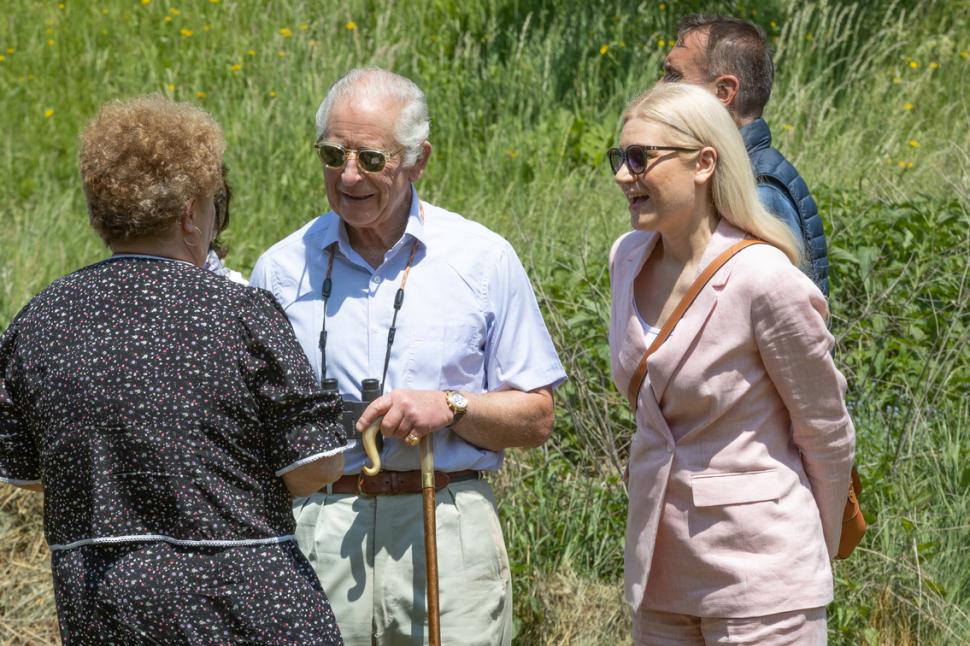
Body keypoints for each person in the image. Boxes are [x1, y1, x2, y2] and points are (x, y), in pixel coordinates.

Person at [0, 95, 348, 645]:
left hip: (105, 614)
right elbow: (316, 465)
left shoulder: (38, 321)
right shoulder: (240, 312)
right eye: (213, 204)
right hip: (246, 610)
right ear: (190, 213)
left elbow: (25, 471)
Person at [250, 67, 566, 645]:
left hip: (444, 522)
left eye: (372, 159)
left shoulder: (482, 259)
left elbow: (537, 416)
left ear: (419, 160)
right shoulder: (280, 269)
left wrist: (451, 406)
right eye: (332, 155)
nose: (349, 176)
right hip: (319, 527)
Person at [607, 83, 854, 644]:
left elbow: (825, 430)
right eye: (619, 157)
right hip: (661, 576)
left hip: (765, 581)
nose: (623, 175)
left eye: (640, 158)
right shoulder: (626, 257)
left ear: (704, 162)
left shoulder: (764, 278)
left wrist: (811, 549)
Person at [663, 14, 830, 295]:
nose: (659, 88)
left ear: (723, 92)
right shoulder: (722, 172)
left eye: (673, 76)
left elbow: (788, 309)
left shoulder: (761, 189)